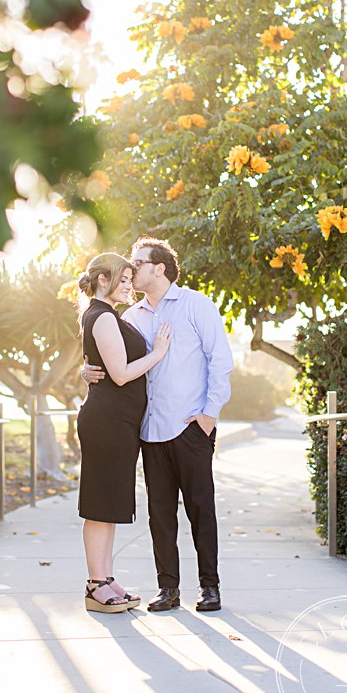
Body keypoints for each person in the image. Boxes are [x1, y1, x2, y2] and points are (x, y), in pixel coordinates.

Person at [85, 236, 233, 613]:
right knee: (160, 515)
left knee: (201, 509)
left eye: (138, 263)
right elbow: (106, 356)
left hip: (190, 427)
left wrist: (208, 416)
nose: (131, 270)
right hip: (149, 430)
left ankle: (209, 588)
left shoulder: (196, 305)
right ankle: (168, 589)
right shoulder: (129, 317)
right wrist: (83, 371)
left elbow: (221, 362)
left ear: (159, 268)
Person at [75, 253, 172, 614]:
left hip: (119, 423)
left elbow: (100, 364)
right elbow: (119, 373)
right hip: (107, 423)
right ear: (104, 280)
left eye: (132, 278)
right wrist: (159, 353)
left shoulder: (107, 316)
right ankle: (95, 583)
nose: (130, 285)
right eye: (125, 279)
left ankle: (105, 577)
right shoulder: (101, 316)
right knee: (100, 502)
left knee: (111, 501)